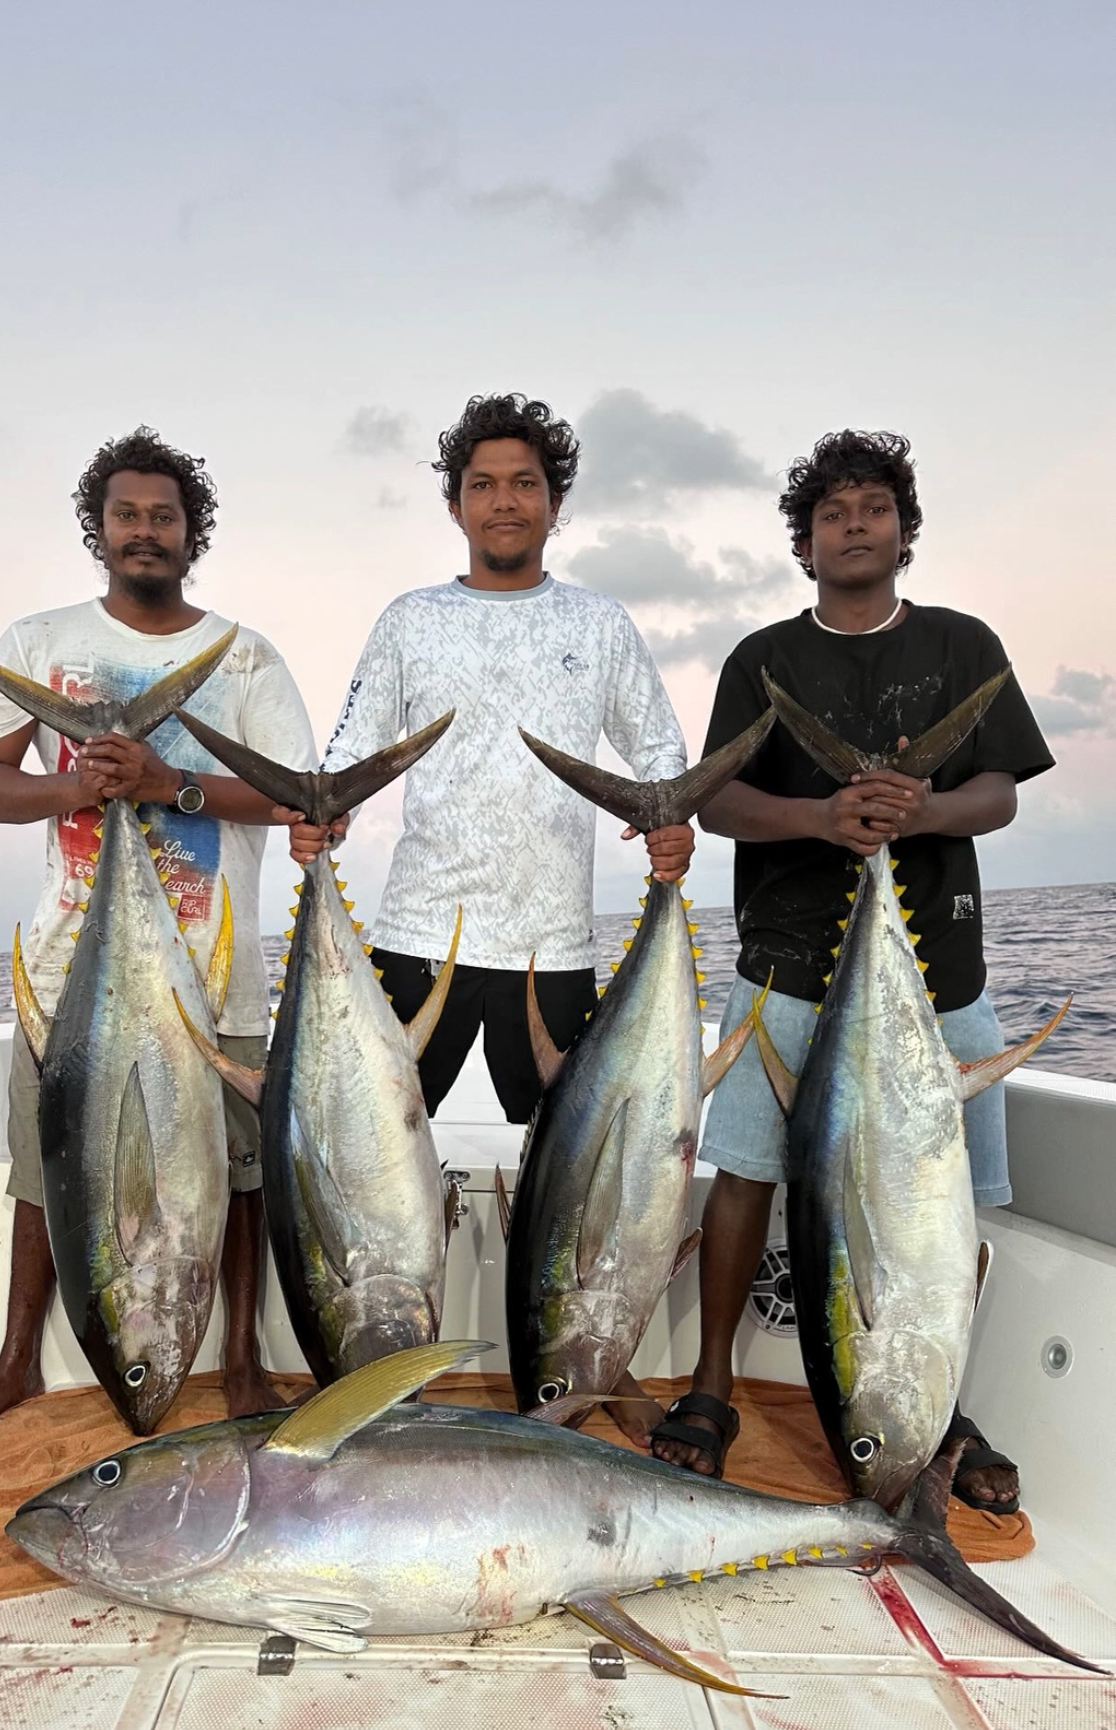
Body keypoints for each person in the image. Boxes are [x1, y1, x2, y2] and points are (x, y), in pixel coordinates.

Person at [649, 429, 1054, 1512]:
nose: (856, 523)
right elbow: (720, 799)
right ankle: (713, 1381)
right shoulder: (761, 660)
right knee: (743, 1170)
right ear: (806, 540)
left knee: (952, 1195)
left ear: (905, 531)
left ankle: (941, 1397)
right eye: (834, 512)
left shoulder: (965, 645)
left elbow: (1000, 790)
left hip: (940, 969)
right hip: (785, 960)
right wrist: (827, 815)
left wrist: (919, 807)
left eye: (875, 507)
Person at [282, 393, 692, 1440]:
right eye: (482, 485)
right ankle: (369, 1358)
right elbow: (349, 751)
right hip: (416, 935)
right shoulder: (410, 619)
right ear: (455, 503)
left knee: (585, 1182)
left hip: (555, 946)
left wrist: (668, 824)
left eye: (524, 484)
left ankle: (600, 1364)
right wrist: (318, 814)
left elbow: (661, 752)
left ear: (554, 503)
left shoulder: (599, 622)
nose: (503, 501)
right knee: (357, 1166)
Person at [0, 426, 317, 1435]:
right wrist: (77, 782)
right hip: (70, 969)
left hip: (216, 971)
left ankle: (240, 1359)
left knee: (237, 1170)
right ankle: (13, 1359)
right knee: (43, 1163)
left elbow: (296, 796)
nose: (145, 531)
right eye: (127, 515)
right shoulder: (36, 641)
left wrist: (167, 781)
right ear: (98, 529)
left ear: (193, 532)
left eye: (164, 516)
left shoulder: (245, 657)